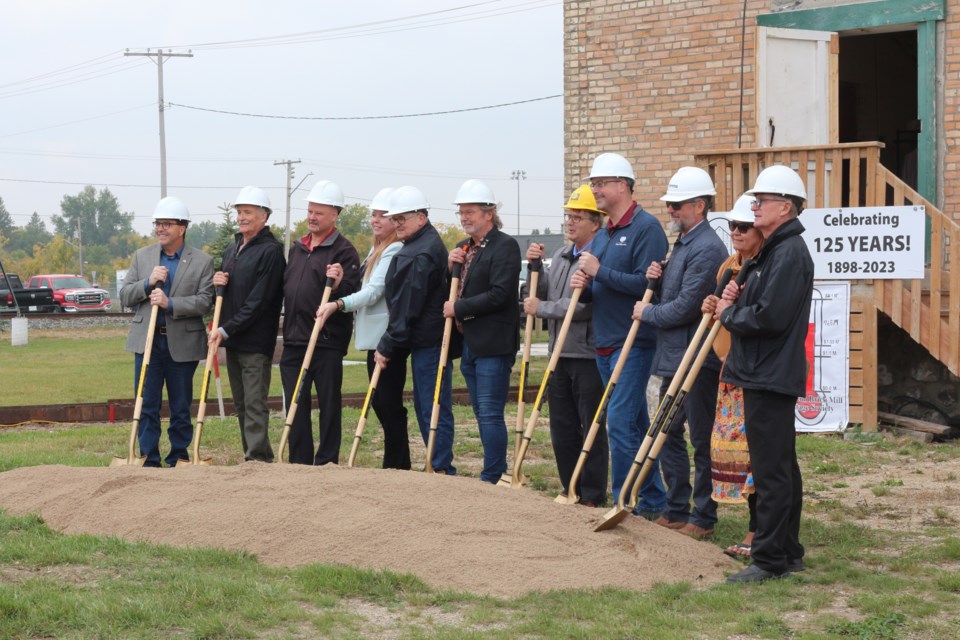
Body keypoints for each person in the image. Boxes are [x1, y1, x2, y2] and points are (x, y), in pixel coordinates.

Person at [713, 166, 814, 583]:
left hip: (768, 373)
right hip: (763, 371)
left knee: (772, 472)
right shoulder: (773, 251)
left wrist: (729, 312)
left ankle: (769, 559)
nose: (754, 206)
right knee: (781, 468)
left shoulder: (788, 253)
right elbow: (761, 304)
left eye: (762, 200)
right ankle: (787, 552)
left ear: (785, 207)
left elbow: (769, 317)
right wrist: (738, 295)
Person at [570, 152, 668, 519]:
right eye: (593, 183)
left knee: (620, 424)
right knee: (636, 424)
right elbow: (603, 289)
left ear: (622, 186)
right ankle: (654, 500)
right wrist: (588, 283)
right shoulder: (607, 232)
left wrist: (598, 273)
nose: (593, 189)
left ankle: (623, 502)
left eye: (600, 183)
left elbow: (647, 284)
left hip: (634, 342)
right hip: (606, 343)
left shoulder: (646, 228)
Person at [632, 167, 728, 539]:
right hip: (675, 357)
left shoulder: (707, 248)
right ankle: (676, 507)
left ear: (699, 205)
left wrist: (647, 312)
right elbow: (673, 295)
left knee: (701, 439)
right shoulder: (685, 243)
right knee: (667, 433)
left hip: (697, 360)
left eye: (677, 205)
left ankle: (703, 516)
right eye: (669, 205)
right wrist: (657, 280)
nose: (670, 210)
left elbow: (686, 307)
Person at [525, 184, 608, 505]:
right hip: (557, 354)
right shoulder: (561, 255)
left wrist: (540, 309)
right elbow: (544, 292)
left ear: (595, 223)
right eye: (568, 217)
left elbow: (584, 306)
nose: (570, 223)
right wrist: (536, 267)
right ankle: (568, 486)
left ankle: (592, 493)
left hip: (586, 354)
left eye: (578, 217)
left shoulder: (597, 257)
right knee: (562, 426)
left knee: (591, 428)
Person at [318, 187, 409, 469]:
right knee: (381, 402)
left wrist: (338, 304)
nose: (375, 220)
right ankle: (393, 462)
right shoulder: (376, 248)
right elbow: (365, 286)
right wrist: (345, 280)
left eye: (383, 216)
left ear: (395, 222)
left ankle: (398, 463)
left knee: (387, 402)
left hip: (384, 339)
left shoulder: (393, 249)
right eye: (373, 215)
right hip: (372, 340)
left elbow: (374, 292)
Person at [120, 196, 214, 467]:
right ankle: (149, 457)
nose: (160, 229)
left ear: (182, 228)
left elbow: (204, 301)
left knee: (180, 406)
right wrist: (148, 283)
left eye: (166, 224)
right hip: (147, 343)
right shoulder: (143, 256)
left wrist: (170, 303)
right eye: (157, 224)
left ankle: (179, 457)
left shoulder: (202, 261)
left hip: (182, 344)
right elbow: (125, 295)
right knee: (146, 403)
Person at [280, 180, 361, 465]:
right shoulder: (298, 248)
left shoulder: (344, 251)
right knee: (295, 403)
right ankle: (299, 461)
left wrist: (338, 285)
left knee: (328, 404)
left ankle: (327, 460)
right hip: (294, 339)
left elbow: (353, 295)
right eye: (310, 211)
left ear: (335, 215)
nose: (312, 217)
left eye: (320, 213)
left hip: (326, 340)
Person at [375, 186, 455, 474]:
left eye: (402, 218)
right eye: (394, 219)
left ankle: (441, 467)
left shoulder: (422, 251)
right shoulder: (415, 245)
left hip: (428, 340)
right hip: (420, 339)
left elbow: (408, 303)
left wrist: (388, 343)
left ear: (421, 217)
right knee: (426, 404)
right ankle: (437, 464)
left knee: (431, 405)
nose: (397, 224)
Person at [446, 180, 521, 484]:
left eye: (470, 212)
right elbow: (458, 287)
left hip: (493, 342)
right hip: (470, 342)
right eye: (461, 213)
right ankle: (491, 470)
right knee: (480, 410)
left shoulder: (504, 246)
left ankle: (492, 475)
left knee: (490, 411)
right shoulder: (467, 248)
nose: (465, 218)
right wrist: (449, 266)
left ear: (489, 213)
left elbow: (500, 294)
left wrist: (460, 309)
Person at [703, 194, 764, 559]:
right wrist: (712, 306)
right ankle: (754, 522)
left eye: (744, 226)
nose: (737, 232)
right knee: (734, 453)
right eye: (733, 227)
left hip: (756, 372)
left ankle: (758, 530)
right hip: (729, 368)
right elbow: (718, 312)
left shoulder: (762, 268)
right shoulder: (728, 268)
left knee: (757, 454)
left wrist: (730, 307)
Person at [209, 186, 285, 463]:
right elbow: (228, 289)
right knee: (241, 403)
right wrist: (218, 282)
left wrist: (226, 329)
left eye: (248, 212)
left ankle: (258, 460)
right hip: (233, 339)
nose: (242, 217)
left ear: (263, 216)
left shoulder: (271, 252)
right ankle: (253, 455)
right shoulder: (233, 248)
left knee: (254, 402)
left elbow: (259, 301)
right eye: (239, 212)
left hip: (254, 340)